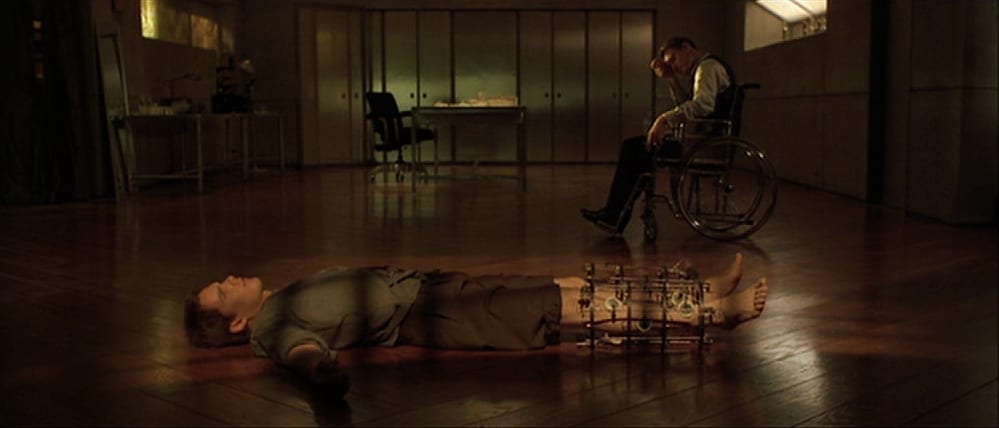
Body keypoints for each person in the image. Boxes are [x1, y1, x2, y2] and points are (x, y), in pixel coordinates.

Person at [184, 253, 767, 398]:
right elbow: (302, 354)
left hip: (432, 287)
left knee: (568, 284)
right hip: (434, 313)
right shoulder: (273, 328)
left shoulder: (281, 298)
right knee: (576, 306)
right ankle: (718, 315)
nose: (231, 277)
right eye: (223, 290)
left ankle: (703, 293)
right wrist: (322, 375)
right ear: (237, 324)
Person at [581, 36, 737, 234]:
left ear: (687, 48)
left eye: (674, 59)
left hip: (704, 146)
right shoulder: (704, 68)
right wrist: (671, 79)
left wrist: (663, 120)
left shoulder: (707, 67)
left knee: (634, 148)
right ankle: (616, 214)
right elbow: (687, 104)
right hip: (701, 142)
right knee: (639, 148)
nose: (674, 66)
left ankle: (615, 215)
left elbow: (702, 106)